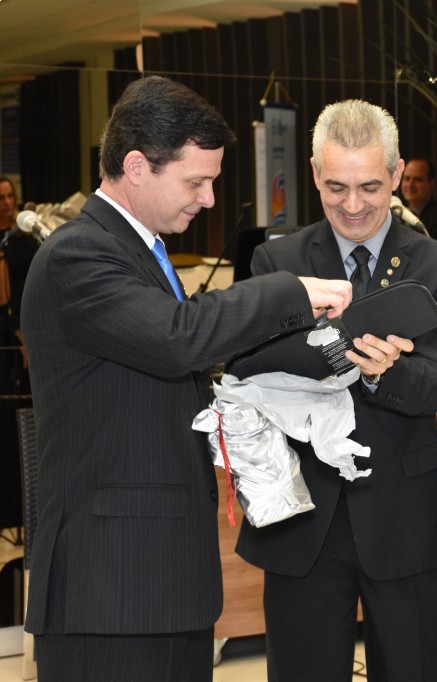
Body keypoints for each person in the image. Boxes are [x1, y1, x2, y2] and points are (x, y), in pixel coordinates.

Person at [20, 75, 353, 682]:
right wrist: (290, 292)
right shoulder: (78, 254)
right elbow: (178, 338)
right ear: (137, 166)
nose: (208, 200)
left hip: (166, 580)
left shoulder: (142, 254)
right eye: (195, 182)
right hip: (111, 588)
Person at [235, 100, 437, 681]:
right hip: (305, 520)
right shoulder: (277, 261)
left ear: (396, 175)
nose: (354, 205)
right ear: (315, 174)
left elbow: (436, 383)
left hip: (405, 516)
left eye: (370, 187)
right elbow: (250, 371)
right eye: (336, 187)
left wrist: (381, 372)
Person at [0, 175, 38, 392]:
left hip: (28, 312)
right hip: (6, 317)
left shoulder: (24, 232)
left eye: (10, 196)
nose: (7, 202)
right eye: (1, 198)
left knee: (27, 382)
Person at [400, 156, 437, 247]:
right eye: (407, 178)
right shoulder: (398, 214)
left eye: (417, 179)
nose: (410, 184)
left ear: (431, 184)